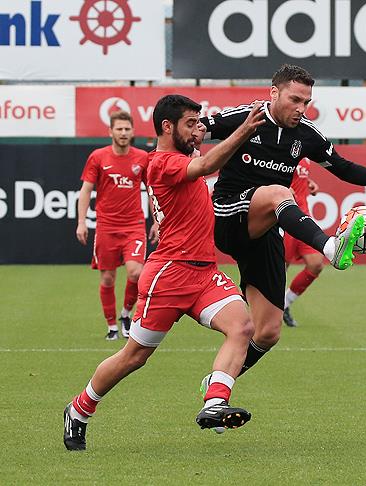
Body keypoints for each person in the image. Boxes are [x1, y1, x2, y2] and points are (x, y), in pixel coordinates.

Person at [63, 95, 266, 451]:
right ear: (167, 127)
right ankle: (79, 409)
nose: (197, 129)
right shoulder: (160, 162)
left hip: (204, 273)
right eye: (191, 123)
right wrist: (244, 130)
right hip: (169, 275)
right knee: (134, 357)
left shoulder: (184, 157)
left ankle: (215, 401)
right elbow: (206, 166)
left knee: (243, 327)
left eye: (199, 123)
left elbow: (201, 161)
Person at [200, 64, 366, 375]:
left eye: (306, 102)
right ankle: (330, 246)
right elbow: (194, 130)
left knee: (267, 332)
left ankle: (219, 383)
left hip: (264, 232)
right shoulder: (246, 117)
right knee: (280, 193)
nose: (301, 108)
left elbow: (343, 168)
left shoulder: (306, 134)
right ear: (274, 92)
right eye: (294, 100)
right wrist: (186, 166)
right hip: (228, 216)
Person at [76, 111, 158, 340]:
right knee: (107, 278)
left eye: (126, 129)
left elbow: (152, 191)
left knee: (136, 272)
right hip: (106, 227)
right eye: (119, 129)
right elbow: (86, 190)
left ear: (132, 131)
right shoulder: (98, 157)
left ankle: (125, 314)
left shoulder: (142, 158)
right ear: (110, 131)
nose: (123, 133)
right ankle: (112, 326)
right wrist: (81, 222)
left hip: (134, 225)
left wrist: (156, 221)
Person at [281, 157, 324, 327]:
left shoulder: (305, 154)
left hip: (304, 218)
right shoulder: (284, 148)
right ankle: (265, 312)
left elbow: (296, 176)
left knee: (316, 264)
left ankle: (285, 303)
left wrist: (308, 182)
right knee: (279, 270)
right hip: (285, 217)